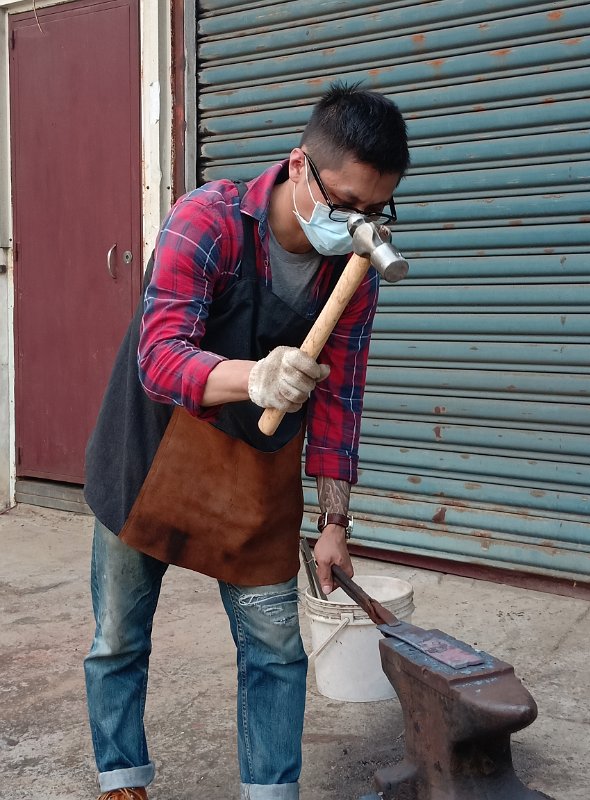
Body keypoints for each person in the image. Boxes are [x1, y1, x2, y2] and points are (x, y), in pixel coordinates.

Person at [83, 81, 410, 800]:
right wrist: (254, 377)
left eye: (375, 211)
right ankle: (122, 777)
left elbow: (340, 402)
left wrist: (335, 524)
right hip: (153, 454)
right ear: (298, 165)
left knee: (275, 650)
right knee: (118, 639)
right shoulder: (208, 222)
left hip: (256, 474)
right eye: (346, 205)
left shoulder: (355, 273)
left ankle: (270, 792)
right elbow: (159, 356)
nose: (358, 226)